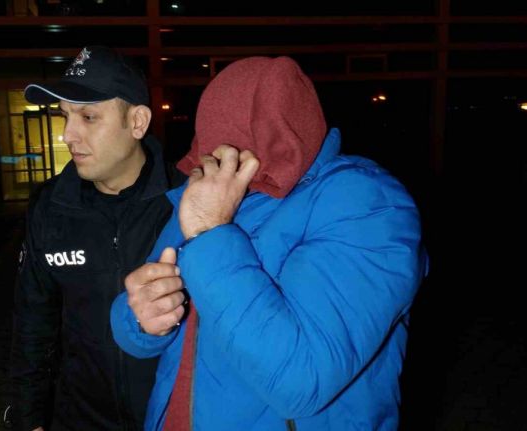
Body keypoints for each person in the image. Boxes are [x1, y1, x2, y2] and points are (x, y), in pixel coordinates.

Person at [110, 56, 429, 430]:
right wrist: (143, 321)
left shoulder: (367, 204)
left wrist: (210, 234)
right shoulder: (208, 191)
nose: (216, 157)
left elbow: (301, 379)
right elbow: (134, 314)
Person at [9, 45, 185, 431]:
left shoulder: (187, 202)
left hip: (169, 416)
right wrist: (28, 418)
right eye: (65, 116)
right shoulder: (50, 207)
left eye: (88, 117)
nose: (67, 135)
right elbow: (33, 323)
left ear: (137, 122)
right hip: (80, 416)